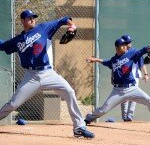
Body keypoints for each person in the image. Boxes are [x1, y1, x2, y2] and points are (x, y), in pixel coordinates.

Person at [0, 9, 94, 138]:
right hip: (31, 76)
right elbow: (4, 46)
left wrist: (72, 25)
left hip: (48, 73)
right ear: (23, 21)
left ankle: (79, 127)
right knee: (13, 104)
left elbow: (63, 19)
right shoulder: (18, 40)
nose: (32, 19)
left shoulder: (43, 28)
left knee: (69, 92)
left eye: (33, 17)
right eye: (29, 18)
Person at [84, 38, 150, 124]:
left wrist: (148, 48)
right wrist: (96, 59)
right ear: (117, 47)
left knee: (148, 100)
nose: (125, 46)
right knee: (104, 109)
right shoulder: (114, 60)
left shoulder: (131, 53)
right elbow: (106, 62)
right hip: (118, 91)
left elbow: (143, 50)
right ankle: (88, 119)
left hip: (132, 88)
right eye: (123, 45)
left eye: (126, 45)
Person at [120, 35, 149, 122]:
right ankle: (124, 117)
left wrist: (146, 74)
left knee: (134, 97)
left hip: (134, 78)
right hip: (123, 78)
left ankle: (129, 116)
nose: (130, 43)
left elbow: (141, 64)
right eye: (128, 42)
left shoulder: (135, 52)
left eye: (130, 42)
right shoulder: (120, 53)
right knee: (124, 98)